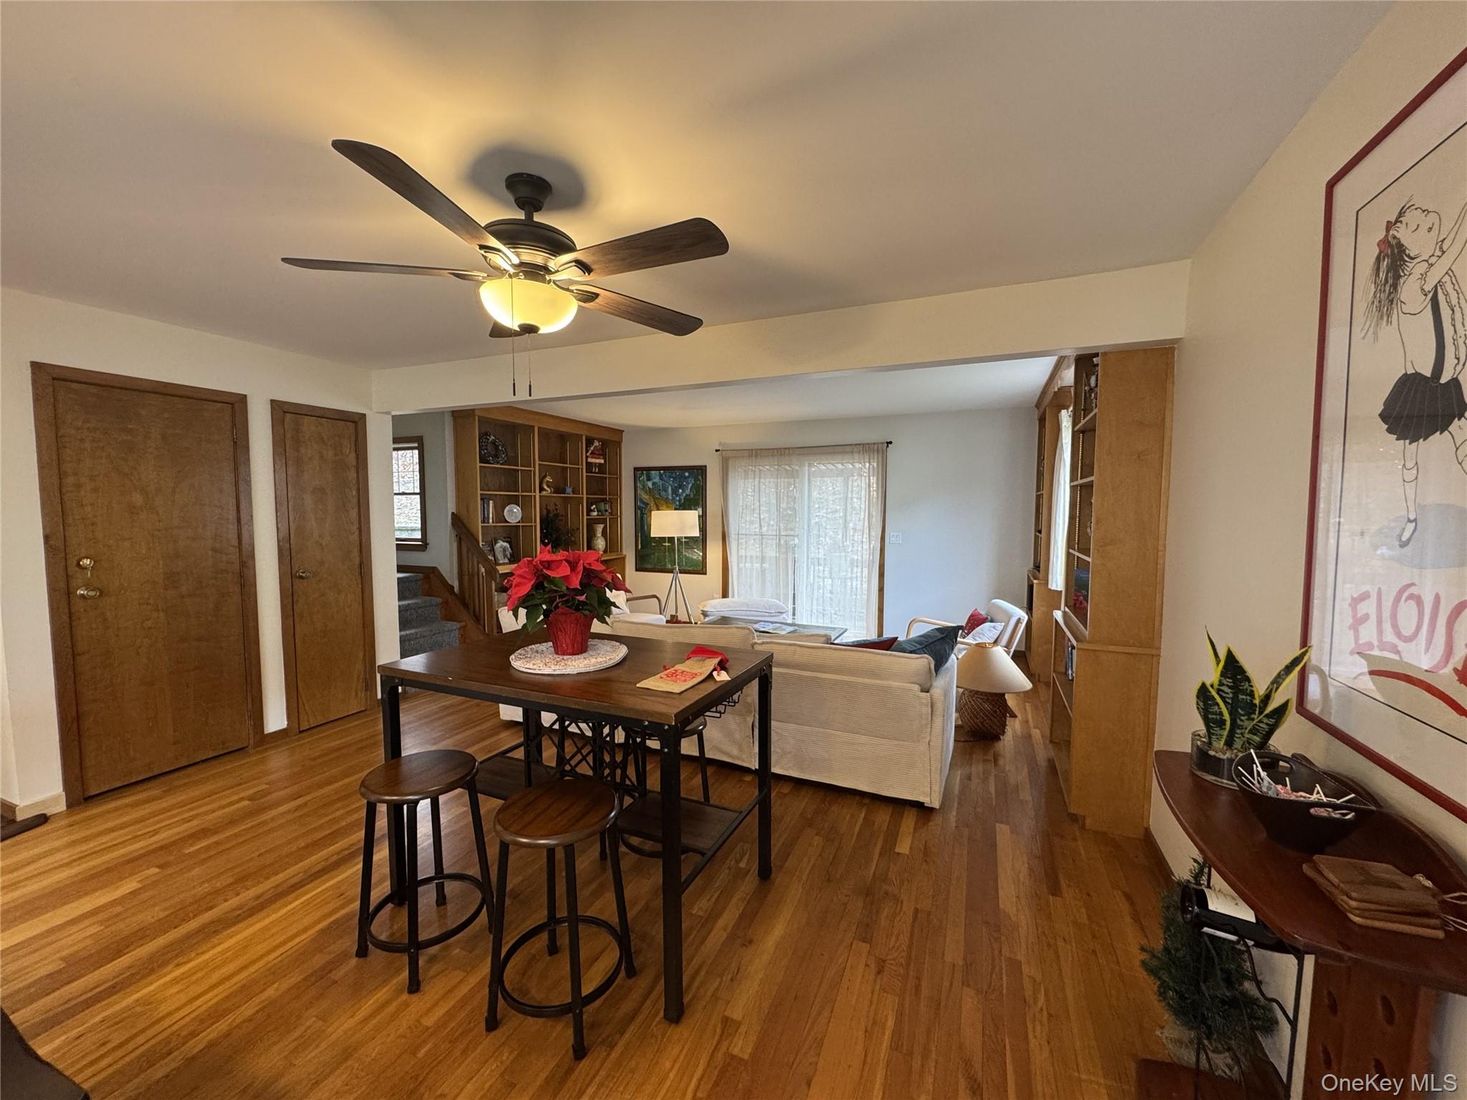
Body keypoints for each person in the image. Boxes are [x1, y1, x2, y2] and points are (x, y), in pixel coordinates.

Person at [1362, 199, 1467, 547]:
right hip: (1421, 387)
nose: (1429, 220)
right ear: (1408, 246)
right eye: (1420, 226)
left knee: (1462, 436)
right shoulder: (1413, 286)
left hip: (1446, 382)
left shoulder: (1431, 261)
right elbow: (1456, 246)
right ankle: (1410, 518)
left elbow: (1451, 241)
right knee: (1411, 453)